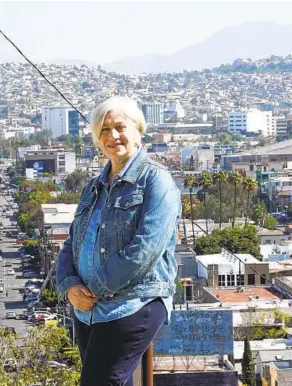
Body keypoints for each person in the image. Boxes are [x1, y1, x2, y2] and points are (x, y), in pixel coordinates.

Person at [56, 96, 181, 386]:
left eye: (120, 127)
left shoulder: (155, 181)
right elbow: (72, 242)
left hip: (133, 304)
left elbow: (144, 250)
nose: (112, 136)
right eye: (104, 129)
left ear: (138, 129)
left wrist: (94, 289)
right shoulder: (95, 185)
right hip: (88, 310)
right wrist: (69, 287)